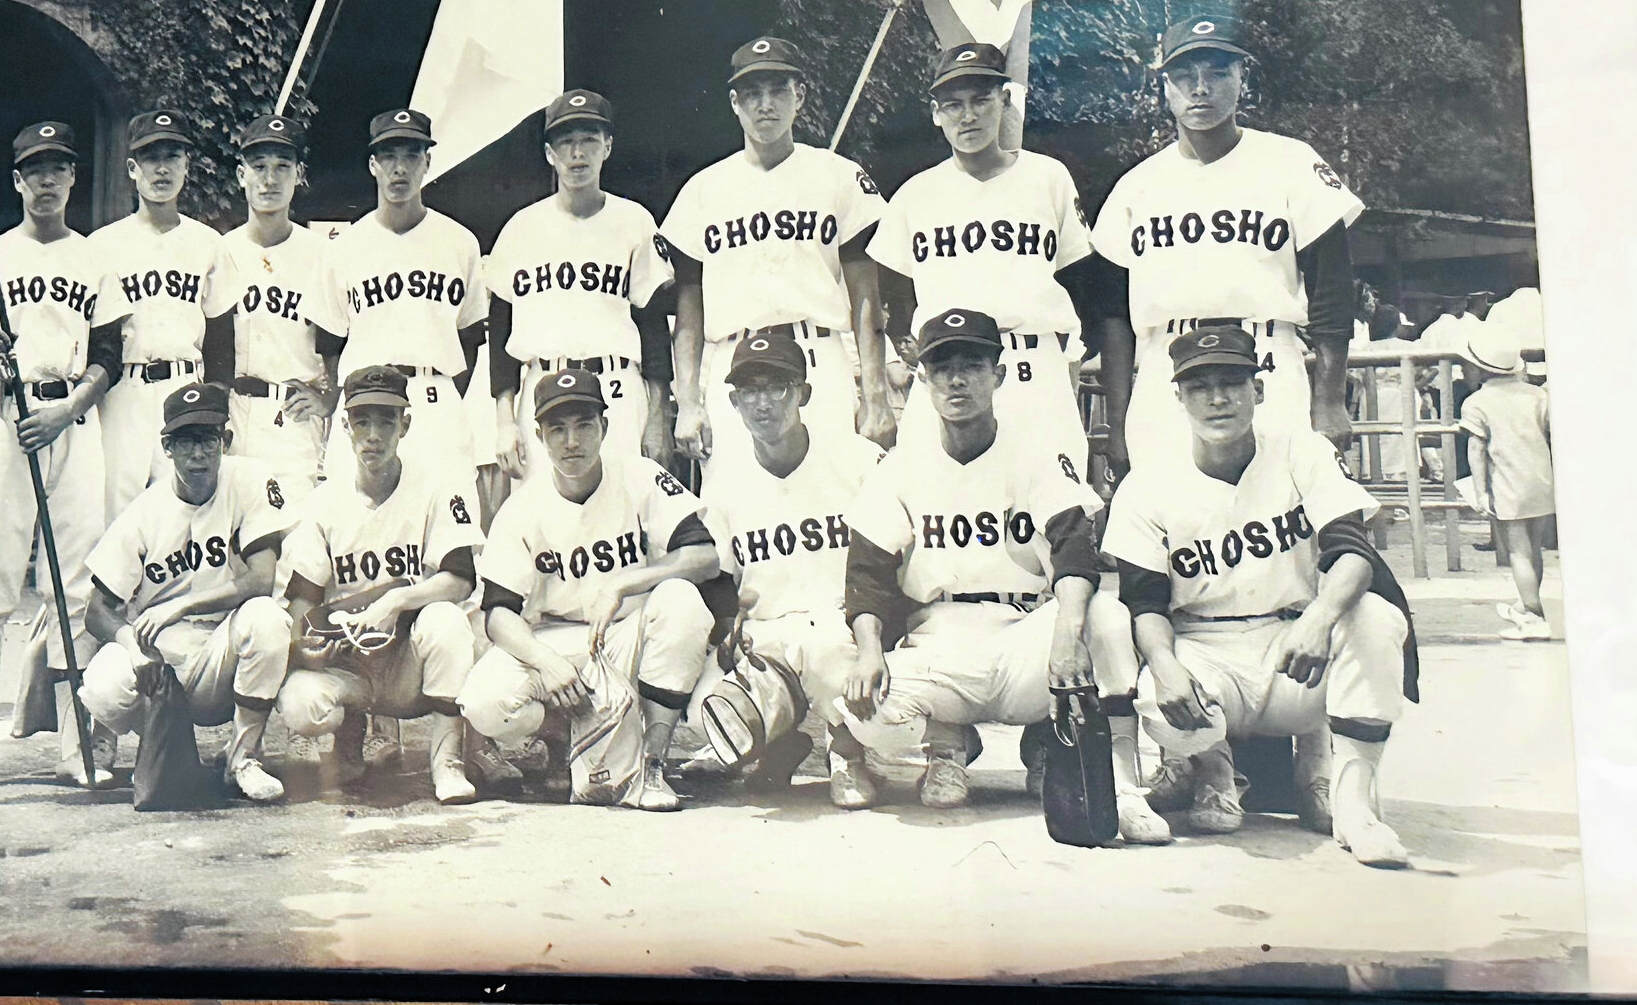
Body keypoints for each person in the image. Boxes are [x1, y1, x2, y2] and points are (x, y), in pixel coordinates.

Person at [835, 308, 1169, 842]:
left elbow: (1075, 550)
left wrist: (1065, 633)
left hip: (1022, 636)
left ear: (1000, 375)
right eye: (942, 368)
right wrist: (871, 649)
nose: (957, 380)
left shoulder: (1035, 454)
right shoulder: (902, 465)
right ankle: (948, 747)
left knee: (1104, 616)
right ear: (923, 377)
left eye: (972, 365)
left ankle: (1123, 789)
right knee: (862, 712)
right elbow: (867, 575)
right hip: (941, 640)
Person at [1102, 326, 1418, 867]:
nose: (1218, 398)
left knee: (1373, 618)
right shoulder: (1149, 481)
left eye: (1233, 382)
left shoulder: (1303, 452)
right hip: (1204, 645)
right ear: (1179, 397)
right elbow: (1144, 600)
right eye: (1200, 386)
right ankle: (1215, 771)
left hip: (1291, 640)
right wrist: (1164, 663)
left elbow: (1352, 550)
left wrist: (1320, 618)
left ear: (1260, 391)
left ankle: (1352, 803)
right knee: (1157, 687)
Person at [0, 120, 124, 796]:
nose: (47, 180)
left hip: (71, 419)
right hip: (7, 421)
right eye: (34, 169)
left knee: (75, 581)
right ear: (16, 181)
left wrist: (68, 409)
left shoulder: (94, 256)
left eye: (59, 168)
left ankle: (76, 748)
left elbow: (110, 356)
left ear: (73, 177)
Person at [1091, 14, 1362, 471]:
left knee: (1280, 512)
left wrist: (1329, 400)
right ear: (1164, 88)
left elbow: (1332, 291)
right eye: (1184, 76)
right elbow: (1114, 315)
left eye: (1217, 72)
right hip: (1165, 366)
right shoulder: (1136, 186)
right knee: (1172, 524)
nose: (1201, 88)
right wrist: (1117, 421)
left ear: (1243, 79)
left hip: (1265, 355)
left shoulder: (1291, 162)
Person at [458, 369, 719, 810]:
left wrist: (623, 581)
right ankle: (565, 737)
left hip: (630, 633)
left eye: (583, 425)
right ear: (539, 436)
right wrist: (546, 663)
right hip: (560, 640)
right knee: (484, 703)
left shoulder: (639, 475)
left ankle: (653, 762)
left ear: (605, 426)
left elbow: (704, 557)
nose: (571, 441)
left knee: (682, 603)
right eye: (557, 429)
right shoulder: (523, 506)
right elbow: (498, 613)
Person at [662, 36, 893, 490]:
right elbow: (689, 307)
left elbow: (867, 296)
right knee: (737, 505)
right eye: (752, 93)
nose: (765, 104)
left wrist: (877, 392)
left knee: (839, 498)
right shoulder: (703, 190)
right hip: (735, 364)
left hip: (818, 357)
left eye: (778, 90)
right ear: (734, 102)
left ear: (799, 96)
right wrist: (688, 400)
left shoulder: (838, 175)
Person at [867, 43, 1101, 466]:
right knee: (943, 510)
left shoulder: (1048, 178)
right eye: (954, 105)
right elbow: (885, 300)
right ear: (937, 113)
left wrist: (1067, 362)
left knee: (1054, 512)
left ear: (1005, 100)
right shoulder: (914, 195)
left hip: (1031, 363)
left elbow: (1081, 283)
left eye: (981, 100)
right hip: (948, 370)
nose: (968, 116)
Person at [274, 366, 490, 804]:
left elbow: (460, 579)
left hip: (411, 661)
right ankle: (349, 742)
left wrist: (398, 599)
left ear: (405, 425)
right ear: (344, 427)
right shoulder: (324, 503)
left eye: (386, 421)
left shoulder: (437, 487)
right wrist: (306, 646)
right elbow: (302, 600)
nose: (373, 435)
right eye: (362, 421)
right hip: (351, 660)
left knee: (447, 622)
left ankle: (447, 762)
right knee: (300, 703)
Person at [80, 383, 296, 803]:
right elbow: (97, 610)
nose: (198, 454)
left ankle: (244, 759)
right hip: (164, 650)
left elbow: (260, 580)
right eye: (185, 441)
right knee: (104, 682)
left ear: (225, 441)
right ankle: (143, 743)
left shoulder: (250, 479)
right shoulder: (145, 512)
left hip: (224, 645)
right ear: (167, 447)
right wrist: (132, 645)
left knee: (268, 619)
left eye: (208, 439)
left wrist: (182, 604)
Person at [696, 332, 883, 802]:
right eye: (750, 391)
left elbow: (895, 557)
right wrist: (727, 630)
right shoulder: (724, 484)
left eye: (777, 387)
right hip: (769, 636)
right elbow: (717, 579)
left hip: (842, 628)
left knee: (823, 649)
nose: (764, 403)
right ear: (734, 402)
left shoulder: (858, 461)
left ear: (804, 392)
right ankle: (778, 744)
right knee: (710, 710)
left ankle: (846, 753)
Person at [485, 89, 676, 482]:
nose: (577, 154)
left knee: (629, 509)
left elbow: (652, 324)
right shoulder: (520, 228)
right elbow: (501, 334)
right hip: (543, 389)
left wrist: (658, 416)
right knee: (545, 523)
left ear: (607, 147)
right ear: (549, 153)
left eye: (588, 140)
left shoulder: (634, 221)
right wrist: (505, 421)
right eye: (566, 142)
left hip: (617, 389)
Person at [323, 109, 488, 479]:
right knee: (358, 525)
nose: (400, 168)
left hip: (434, 398)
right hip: (366, 403)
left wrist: (442, 389)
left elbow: (471, 335)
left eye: (411, 155)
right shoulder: (343, 247)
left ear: (427, 162)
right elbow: (329, 341)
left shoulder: (460, 242)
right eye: (389, 156)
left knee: (448, 518)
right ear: (372, 165)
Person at [89, 109, 232, 521]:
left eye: (172, 156)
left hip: (187, 381)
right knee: (118, 508)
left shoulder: (208, 243)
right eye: (152, 158)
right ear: (133, 168)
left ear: (186, 165)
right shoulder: (104, 244)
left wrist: (218, 399)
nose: (162, 168)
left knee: (188, 506)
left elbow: (222, 336)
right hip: (126, 390)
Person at [209, 115, 348, 498]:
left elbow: (337, 341)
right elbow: (211, 342)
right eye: (259, 167)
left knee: (295, 542)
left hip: (292, 415)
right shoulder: (222, 251)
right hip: (234, 411)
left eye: (282, 167)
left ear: (298, 174)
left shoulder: (323, 254)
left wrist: (330, 397)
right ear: (241, 175)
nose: (269, 179)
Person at [1459, 329, 1555, 640]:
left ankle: (1533, 615)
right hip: (1541, 480)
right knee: (1533, 546)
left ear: (1478, 367)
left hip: (1506, 483)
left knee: (1517, 551)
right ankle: (1529, 603)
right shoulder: (1538, 396)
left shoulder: (1477, 402)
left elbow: (1476, 449)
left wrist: (1480, 490)